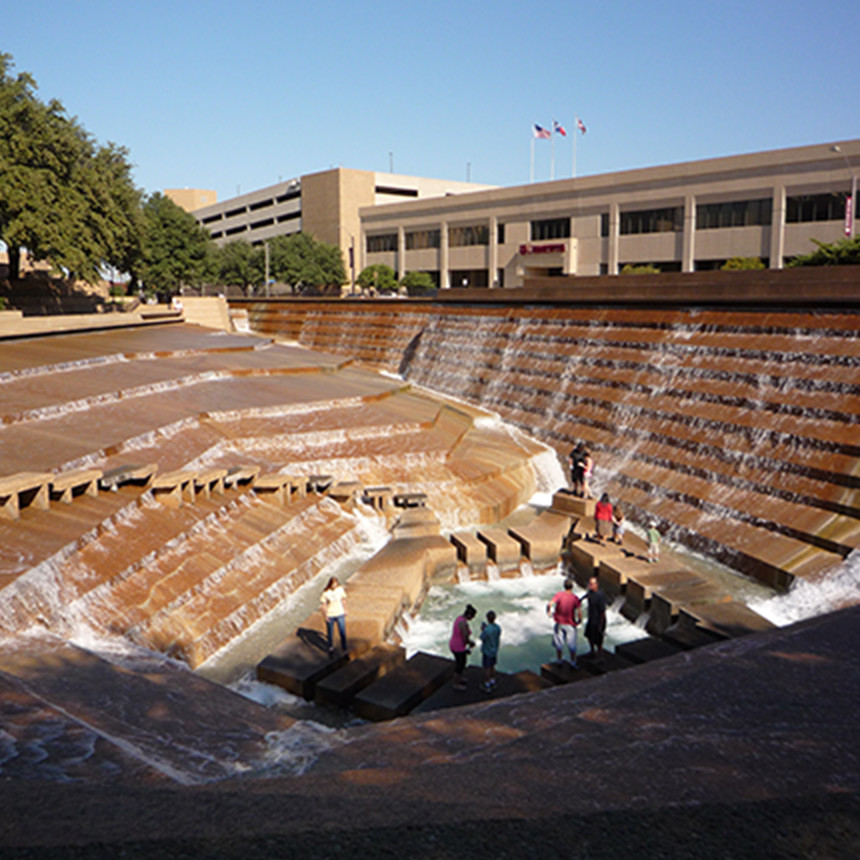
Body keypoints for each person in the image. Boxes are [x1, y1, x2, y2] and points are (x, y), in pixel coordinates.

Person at [546, 578, 582, 667]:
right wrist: (579, 620)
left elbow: (550, 604)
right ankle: (573, 662)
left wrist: (549, 612)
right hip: (570, 624)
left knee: (559, 643)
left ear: (564, 586)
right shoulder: (574, 598)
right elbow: (579, 611)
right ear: (572, 587)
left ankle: (559, 660)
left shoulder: (559, 595)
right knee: (572, 644)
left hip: (560, 623)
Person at [450, 604, 477, 690]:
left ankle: (459, 678)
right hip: (458, 646)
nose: (472, 618)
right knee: (460, 664)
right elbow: (465, 637)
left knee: (460, 662)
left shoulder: (459, 619)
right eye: (472, 616)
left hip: (454, 644)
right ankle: (456, 683)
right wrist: (470, 643)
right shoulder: (463, 624)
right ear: (469, 615)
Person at [320, 576, 347, 655]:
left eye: (336, 584)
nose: (334, 586)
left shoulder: (340, 590)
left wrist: (345, 610)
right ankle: (330, 647)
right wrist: (325, 616)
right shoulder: (326, 593)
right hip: (330, 614)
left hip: (340, 613)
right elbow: (323, 605)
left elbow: (343, 600)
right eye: (333, 584)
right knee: (330, 633)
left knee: (342, 631)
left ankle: (344, 647)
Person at [584, 576, 607, 657]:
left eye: (591, 584)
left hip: (598, 620)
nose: (590, 586)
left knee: (598, 639)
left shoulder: (600, 596)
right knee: (589, 635)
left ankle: (600, 654)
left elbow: (602, 611)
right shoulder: (590, 592)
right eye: (589, 584)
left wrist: (601, 624)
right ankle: (592, 651)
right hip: (591, 618)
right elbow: (586, 596)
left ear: (596, 585)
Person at [479, 610, 501, 692]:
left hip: (487, 651)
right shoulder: (497, 627)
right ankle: (493, 681)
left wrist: (483, 630)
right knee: (492, 666)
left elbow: (482, 638)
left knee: (487, 668)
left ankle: (487, 684)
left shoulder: (487, 630)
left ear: (487, 618)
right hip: (494, 650)